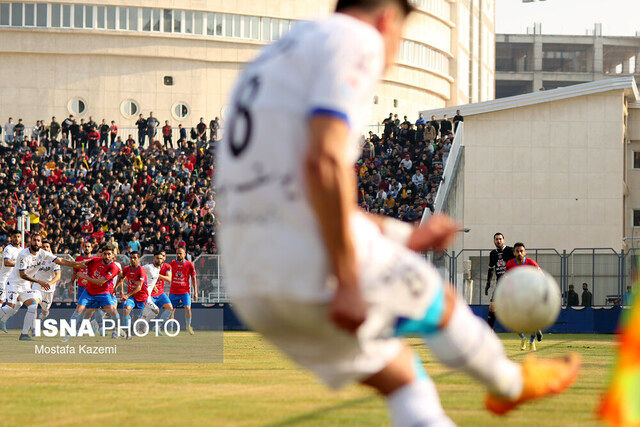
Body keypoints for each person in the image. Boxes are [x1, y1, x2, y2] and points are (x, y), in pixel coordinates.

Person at [216, 0, 580, 424]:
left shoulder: (271, 60)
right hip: (310, 264)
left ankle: (507, 386)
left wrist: (407, 236)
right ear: (388, 18)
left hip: (251, 283)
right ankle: (512, 385)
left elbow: (300, 194)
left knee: (403, 377)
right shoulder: (355, 37)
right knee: (442, 305)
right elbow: (326, 163)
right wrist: (348, 281)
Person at [0, 233, 85, 340]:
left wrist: (77, 264)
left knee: (32, 306)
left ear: (40, 242)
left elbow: (61, 261)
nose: (36, 242)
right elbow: (23, 274)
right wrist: (40, 282)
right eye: (34, 240)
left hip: (24, 285)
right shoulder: (23, 254)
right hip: (14, 283)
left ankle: (24, 334)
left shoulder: (43, 253)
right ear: (30, 242)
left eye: (38, 240)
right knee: (9, 308)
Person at [62, 243, 121, 342]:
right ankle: (68, 335)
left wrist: (85, 277)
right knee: (78, 311)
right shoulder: (95, 260)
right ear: (102, 254)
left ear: (113, 255)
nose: (106, 256)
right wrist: (66, 263)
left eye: (109, 254)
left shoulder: (113, 267)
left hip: (103, 293)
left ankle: (118, 330)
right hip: (89, 292)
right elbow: (81, 264)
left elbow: (101, 282)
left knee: (113, 312)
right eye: (105, 254)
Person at [505, 242, 544, 351]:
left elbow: (542, 276)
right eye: (517, 251)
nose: (519, 253)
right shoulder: (510, 264)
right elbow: (506, 279)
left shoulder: (532, 263)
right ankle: (523, 339)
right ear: (514, 253)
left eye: (521, 251)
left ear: (525, 252)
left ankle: (532, 341)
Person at [484, 232, 514, 329]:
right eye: (496, 239)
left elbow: (518, 263)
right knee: (492, 307)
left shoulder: (510, 250)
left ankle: (533, 330)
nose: (498, 241)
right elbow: (490, 269)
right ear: (494, 241)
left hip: (512, 283)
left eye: (500, 239)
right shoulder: (493, 254)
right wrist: (488, 283)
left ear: (503, 240)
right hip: (500, 284)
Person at [115, 251, 148, 339]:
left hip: (142, 297)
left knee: (136, 319)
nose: (132, 260)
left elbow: (139, 287)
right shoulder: (127, 269)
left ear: (139, 259)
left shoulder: (141, 270)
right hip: (132, 297)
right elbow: (121, 278)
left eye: (135, 258)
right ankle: (128, 333)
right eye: (131, 258)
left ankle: (135, 328)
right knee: (126, 310)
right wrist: (116, 287)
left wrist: (127, 295)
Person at [141, 250, 173, 329]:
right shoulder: (149, 266)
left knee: (169, 308)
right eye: (158, 257)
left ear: (164, 258)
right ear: (154, 258)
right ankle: (138, 326)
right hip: (150, 293)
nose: (160, 259)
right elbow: (141, 272)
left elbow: (169, 279)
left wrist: (157, 276)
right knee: (146, 312)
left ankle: (158, 326)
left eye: (163, 256)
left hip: (160, 292)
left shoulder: (167, 266)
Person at [169, 246, 197, 335]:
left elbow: (193, 278)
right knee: (171, 310)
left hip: (185, 291)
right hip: (173, 291)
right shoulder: (172, 263)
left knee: (188, 308)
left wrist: (195, 292)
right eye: (177, 253)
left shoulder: (189, 264)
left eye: (180, 253)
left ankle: (188, 326)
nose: (178, 255)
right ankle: (171, 328)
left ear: (185, 254)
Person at [31, 240, 61, 319]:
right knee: (33, 305)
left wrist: (49, 284)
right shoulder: (35, 258)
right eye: (43, 247)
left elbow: (58, 276)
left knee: (45, 310)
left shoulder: (54, 260)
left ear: (50, 248)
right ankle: (34, 327)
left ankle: (44, 314)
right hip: (37, 286)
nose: (45, 248)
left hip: (49, 289)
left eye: (47, 247)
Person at [0, 231, 22, 305]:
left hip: (14, 280)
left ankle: (5, 316)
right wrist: (19, 265)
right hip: (5, 278)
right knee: (1, 300)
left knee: (18, 302)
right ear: (11, 238)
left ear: (21, 238)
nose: (16, 238)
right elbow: (7, 263)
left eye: (18, 237)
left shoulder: (22, 250)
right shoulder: (8, 249)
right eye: (15, 237)